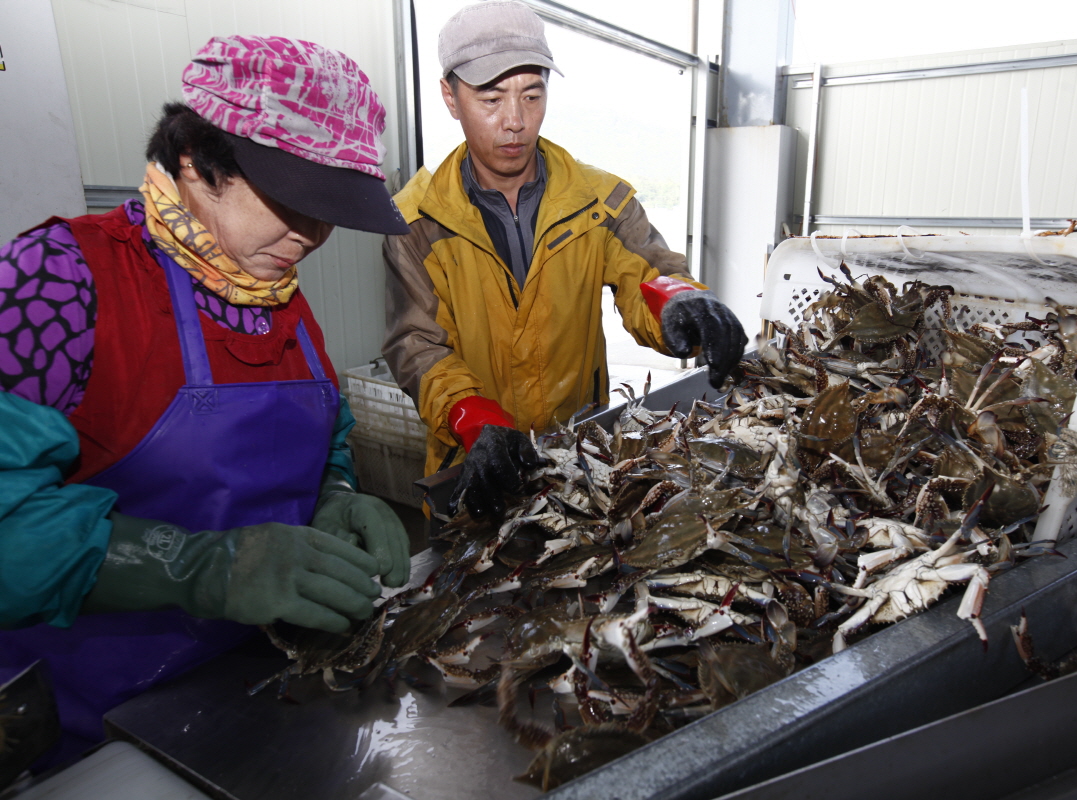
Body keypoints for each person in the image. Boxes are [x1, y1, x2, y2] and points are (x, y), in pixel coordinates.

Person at [0, 35, 411, 764]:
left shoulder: (274, 296)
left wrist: (335, 494)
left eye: (331, 211)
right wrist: (198, 567)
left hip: (249, 697)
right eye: (294, 200)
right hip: (98, 734)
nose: (312, 235)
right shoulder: (57, 280)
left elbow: (326, 437)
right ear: (195, 159)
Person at [382, 0, 748, 519]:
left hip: (583, 456)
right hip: (477, 462)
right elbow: (418, 346)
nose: (515, 121)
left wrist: (680, 303)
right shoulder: (415, 223)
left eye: (532, 95)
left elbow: (647, 271)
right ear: (450, 96)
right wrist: (475, 420)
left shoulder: (600, 201)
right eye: (491, 98)